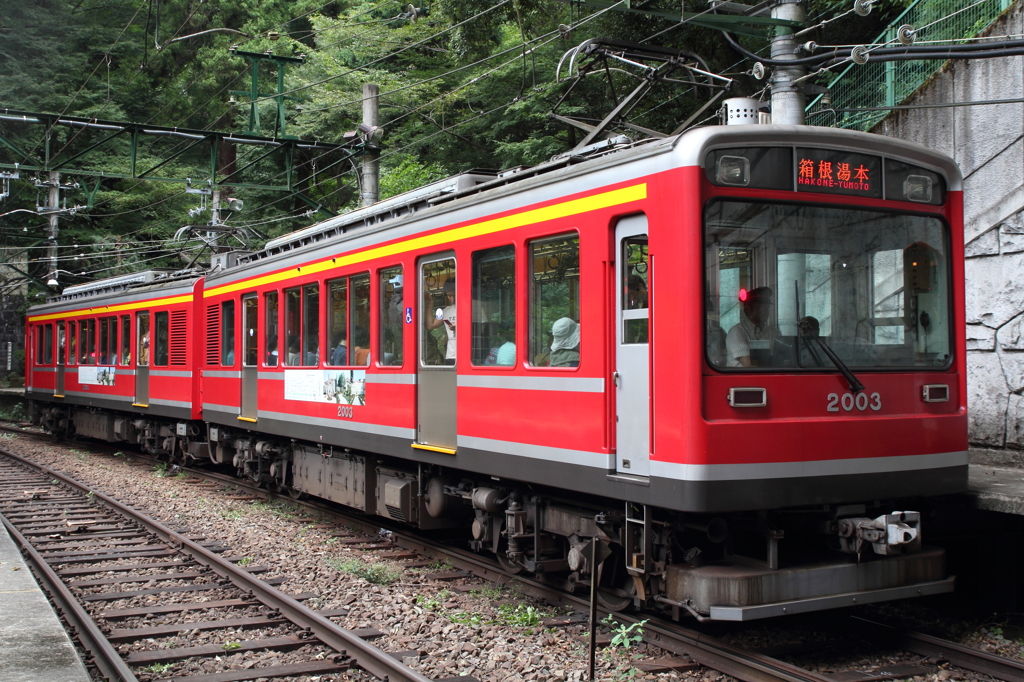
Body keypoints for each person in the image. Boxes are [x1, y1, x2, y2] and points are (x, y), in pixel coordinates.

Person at [725, 286, 776, 367]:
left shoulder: (772, 331)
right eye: (762, 306)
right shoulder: (737, 332)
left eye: (768, 307)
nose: (766, 310)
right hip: (743, 379)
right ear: (748, 309)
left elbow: (782, 359)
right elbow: (748, 366)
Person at [426, 279, 456, 365]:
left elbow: (481, 330)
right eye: (449, 296)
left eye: (454, 295)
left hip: (468, 355)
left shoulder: (474, 307)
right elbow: (430, 325)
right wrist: (430, 303)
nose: (452, 299)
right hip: (451, 355)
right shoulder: (446, 311)